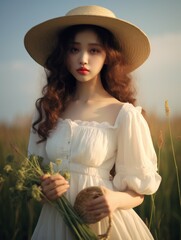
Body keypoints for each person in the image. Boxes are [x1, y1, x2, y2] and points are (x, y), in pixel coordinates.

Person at [25, 5, 161, 240]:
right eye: (74, 49)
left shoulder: (125, 114)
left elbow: (139, 191)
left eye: (94, 50)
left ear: (108, 55)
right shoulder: (50, 111)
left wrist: (114, 199)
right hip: (54, 225)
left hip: (104, 226)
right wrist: (43, 190)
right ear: (63, 55)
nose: (83, 59)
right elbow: (32, 178)